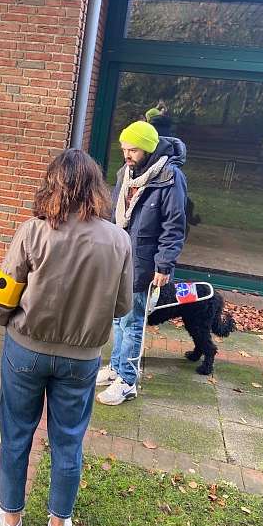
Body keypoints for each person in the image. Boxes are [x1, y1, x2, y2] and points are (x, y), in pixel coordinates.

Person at [0, 149, 133, 526]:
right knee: (68, 441)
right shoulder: (118, 240)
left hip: (25, 350)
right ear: (97, 190)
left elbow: (5, 288)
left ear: (52, 184)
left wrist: (2, 317)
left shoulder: (32, 231)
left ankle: (12, 521)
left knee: (16, 434)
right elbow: (122, 306)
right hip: (82, 358)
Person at [96, 121, 187, 406]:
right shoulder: (126, 172)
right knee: (117, 319)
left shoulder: (170, 177)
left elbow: (174, 226)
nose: (127, 154)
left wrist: (164, 265)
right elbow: (114, 215)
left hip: (144, 263)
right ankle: (116, 368)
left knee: (133, 322)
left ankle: (127, 382)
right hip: (119, 259)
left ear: (147, 148)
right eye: (124, 149)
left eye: (133, 149)